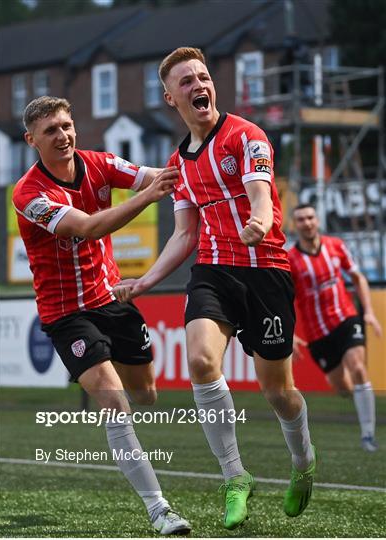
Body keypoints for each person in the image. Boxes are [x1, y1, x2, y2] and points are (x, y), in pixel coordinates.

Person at [113, 47, 316, 530]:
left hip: (265, 270)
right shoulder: (177, 164)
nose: (198, 85)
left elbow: (262, 197)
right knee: (201, 361)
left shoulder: (247, 136)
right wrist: (145, 281)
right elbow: (184, 235)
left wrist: (259, 222)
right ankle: (234, 476)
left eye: (203, 77)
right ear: (170, 97)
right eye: (186, 81)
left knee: (278, 391)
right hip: (214, 271)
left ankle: (304, 461)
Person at [12, 96, 191, 535]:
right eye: (51, 129)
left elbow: (152, 176)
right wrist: (151, 195)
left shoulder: (100, 162)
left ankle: (130, 447)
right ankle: (159, 510)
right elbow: (90, 227)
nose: (63, 135)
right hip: (66, 313)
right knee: (114, 399)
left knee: (146, 395)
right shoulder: (28, 194)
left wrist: (185, 175)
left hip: (112, 300)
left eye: (67, 125)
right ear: (31, 139)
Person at [289, 204, 382, 452]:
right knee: (342, 387)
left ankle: (368, 436)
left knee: (359, 368)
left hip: (346, 319)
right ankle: (361, 402)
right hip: (317, 334)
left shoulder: (336, 246)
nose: (307, 223)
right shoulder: (291, 260)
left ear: (317, 220)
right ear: (295, 224)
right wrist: (290, 334)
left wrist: (369, 312)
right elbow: (283, 299)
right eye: (301, 219)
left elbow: (358, 278)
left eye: (310, 217)